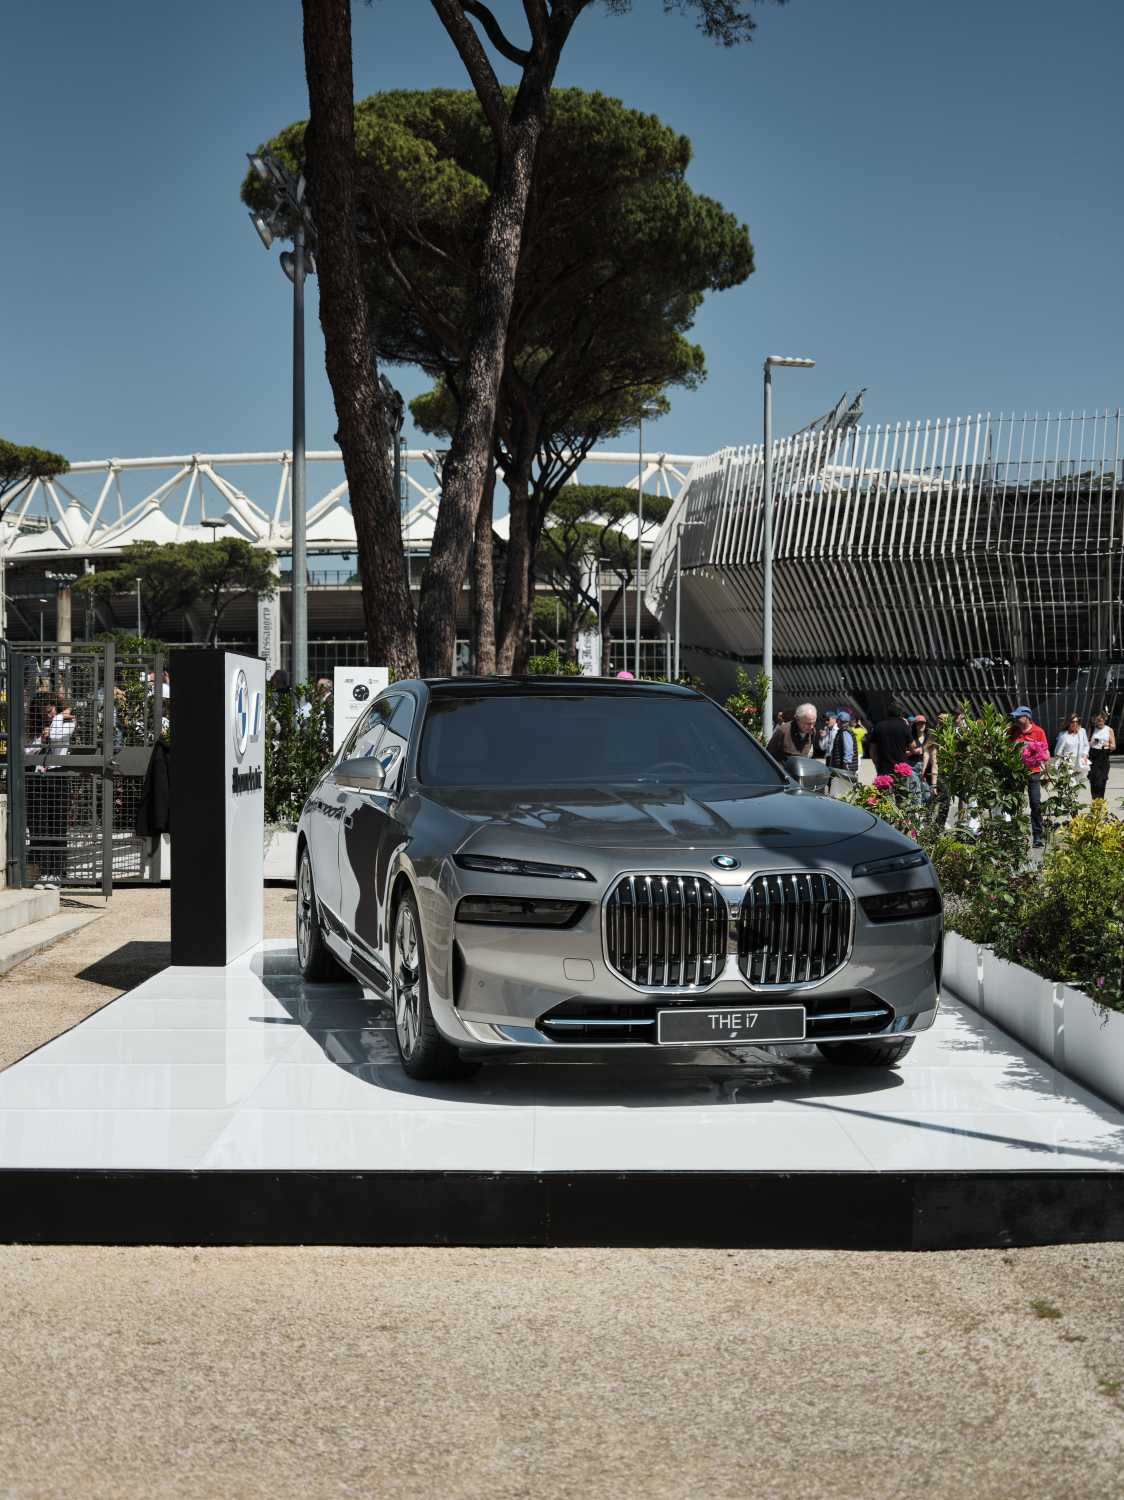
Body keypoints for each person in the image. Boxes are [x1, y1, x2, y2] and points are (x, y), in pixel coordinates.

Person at [1008, 706, 1050, 848]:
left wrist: (1047, 771)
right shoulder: (1013, 731)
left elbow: (1046, 753)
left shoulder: (1039, 732)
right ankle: (1015, 834)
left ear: (1027, 717)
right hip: (1017, 773)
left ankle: (1037, 836)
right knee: (1015, 803)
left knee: (1035, 803)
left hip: (1033, 773)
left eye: (1018, 716)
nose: (1015, 719)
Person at [869, 701, 914, 778]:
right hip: (901, 769)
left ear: (888, 712)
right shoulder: (904, 726)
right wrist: (909, 752)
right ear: (901, 713)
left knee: (884, 785)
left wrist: (876, 763)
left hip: (884, 768)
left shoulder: (878, 726)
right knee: (901, 785)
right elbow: (912, 746)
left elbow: (872, 750)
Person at [1088, 712, 1116, 801]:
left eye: (1100, 720)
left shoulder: (1109, 730)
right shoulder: (1092, 729)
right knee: (1093, 781)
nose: (1098, 722)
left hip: (1103, 757)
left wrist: (1107, 744)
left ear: (1104, 719)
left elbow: (1113, 746)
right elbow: (1086, 744)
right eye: (1097, 720)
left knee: (1101, 782)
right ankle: (1094, 802)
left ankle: (1100, 802)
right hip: (1093, 757)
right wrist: (1092, 742)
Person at [826, 710, 858, 777]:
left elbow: (848, 750)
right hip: (842, 767)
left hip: (844, 768)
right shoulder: (842, 731)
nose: (836, 722)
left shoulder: (845, 732)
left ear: (840, 721)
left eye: (837, 720)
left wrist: (845, 766)